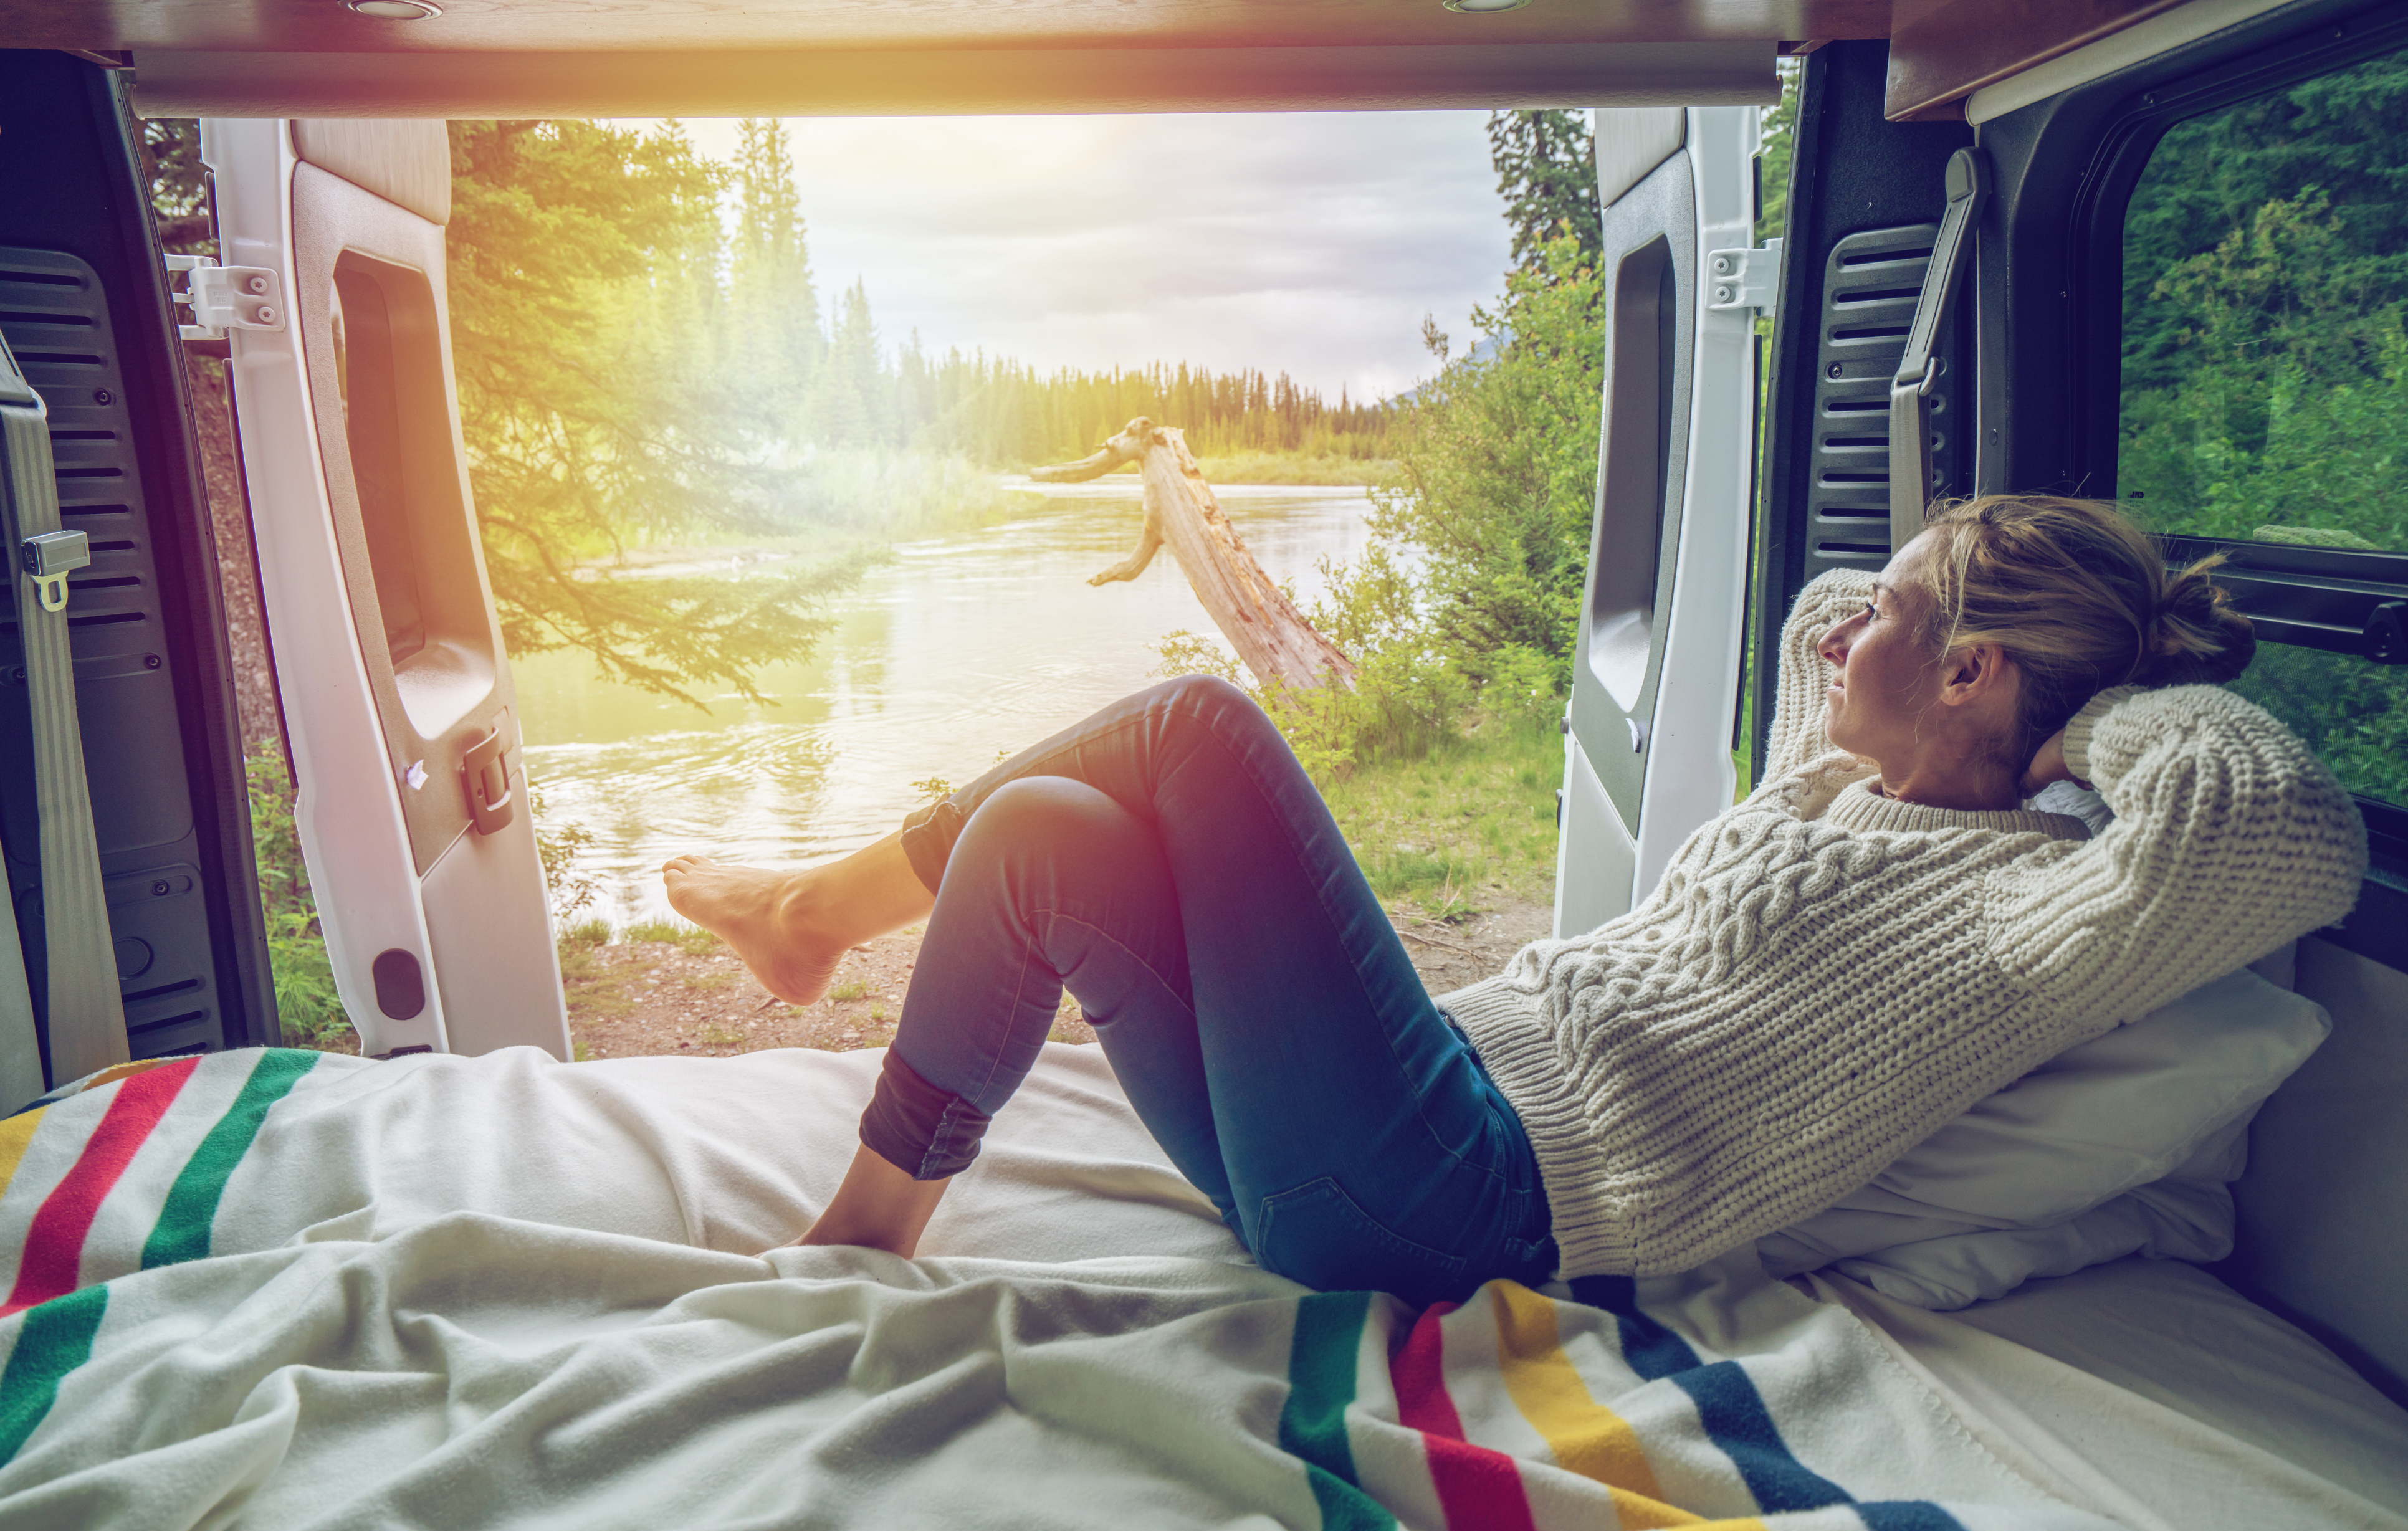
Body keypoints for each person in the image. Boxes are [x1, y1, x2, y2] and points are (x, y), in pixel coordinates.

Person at [664, 496, 2366, 1305]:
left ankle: (815, 916)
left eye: (1911, 623)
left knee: (1195, 726)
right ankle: (875, 1217)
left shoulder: (2037, 906)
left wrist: (2100, 700)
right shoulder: (1841, 769)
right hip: (1392, 1131)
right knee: (1042, 830)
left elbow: (2281, 825)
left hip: (1471, 1190)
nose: (1848, 633)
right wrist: (1952, 601)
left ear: (1982, 669)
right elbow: (1825, 608)